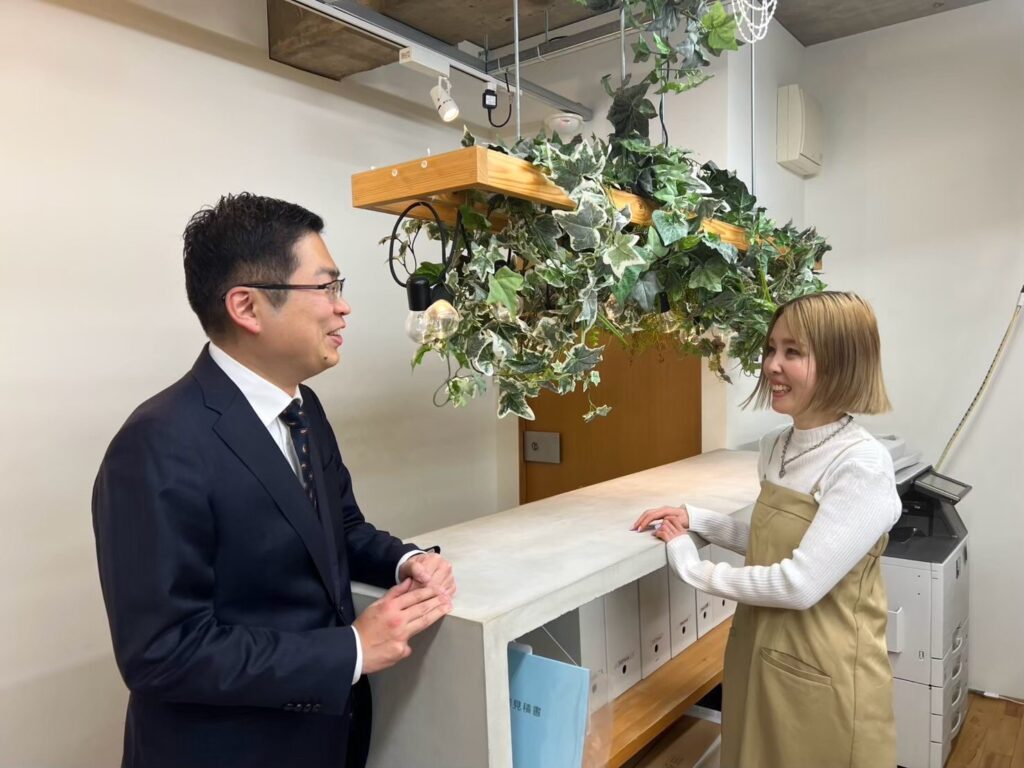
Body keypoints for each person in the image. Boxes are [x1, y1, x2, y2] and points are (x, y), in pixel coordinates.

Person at [93, 193, 456, 768]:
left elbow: (339, 528)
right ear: (247, 306)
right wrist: (350, 650)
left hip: (326, 739)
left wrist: (405, 561)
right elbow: (163, 652)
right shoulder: (157, 443)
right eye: (327, 287)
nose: (344, 308)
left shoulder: (304, 407)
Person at [633, 291, 900, 768]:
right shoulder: (776, 446)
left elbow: (799, 583)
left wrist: (693, 567)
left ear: (841, 362)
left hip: (826, 674)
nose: (772, 365)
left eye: (793, 352)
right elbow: (776, 542)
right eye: (771, 348)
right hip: (760, 654)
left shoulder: (861, 465)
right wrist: (699, 520)